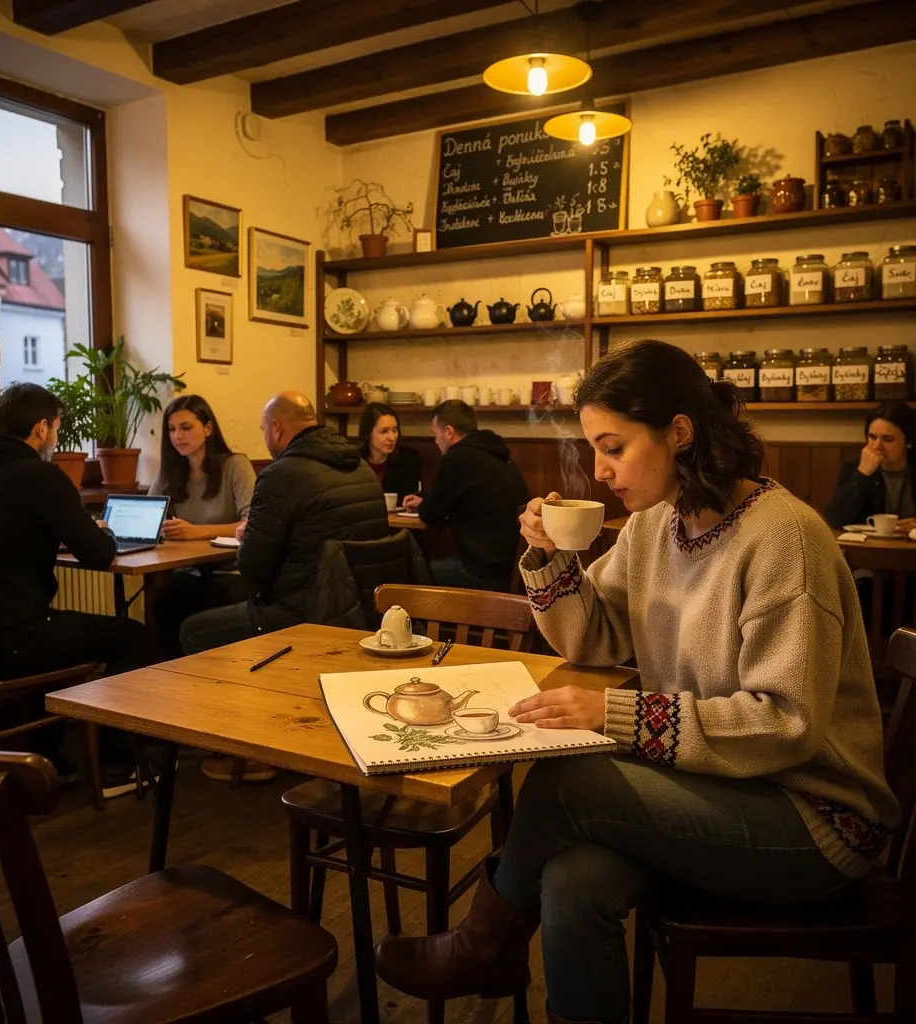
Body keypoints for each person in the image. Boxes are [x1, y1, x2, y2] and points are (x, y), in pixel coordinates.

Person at [374, 340, 897, 1024]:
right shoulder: (657, 525)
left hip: (812, 820)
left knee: (569, 779)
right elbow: (591, 637)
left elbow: (784, 722)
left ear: (679, 432)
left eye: (613, 447)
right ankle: (496, 953)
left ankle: (482, 947)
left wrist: (617, 716)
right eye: (593, 449)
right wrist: (547, 556)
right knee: (569, 881)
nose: (600, 470)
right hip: (714, 788)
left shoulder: (784, 537)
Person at [0, 383, 153, 795]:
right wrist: (97, 530)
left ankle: (55, 760)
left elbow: (2, 532)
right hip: (10, 645)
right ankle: (119, 768)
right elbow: (99, 555)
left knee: (50, 623)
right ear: (41, 427)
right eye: (57, 428)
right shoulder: (38, 475)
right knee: (131, 637)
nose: (56, 437)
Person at [179, 391, 389, 653]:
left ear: (276, 429)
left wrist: (247, 537)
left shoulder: (279, 476)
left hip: (303, 614)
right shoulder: (361, 467)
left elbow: (253, 570)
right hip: (366, 611)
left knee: (191, 630)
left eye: (264, 429)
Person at [148, 394, 257, 659]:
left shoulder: (234, 465)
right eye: (172, 430)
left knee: (208, 600)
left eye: (186, 427)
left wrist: (196, 531)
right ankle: (170, 683)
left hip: (231, 571)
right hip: (189, 571)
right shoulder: (171, 472)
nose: (178, 436)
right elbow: (149, 512)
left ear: (207, 429)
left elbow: (252, 523)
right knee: (163, 603)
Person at [402, 399, 528, 592]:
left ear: (449, 432)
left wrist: (423, 504)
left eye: (436, 434)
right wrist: (425, 500)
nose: (435, 441)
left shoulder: (459, 457)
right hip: (504, 568)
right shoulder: (496, 454)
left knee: (407, 573)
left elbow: (429, 513)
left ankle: (415, 623)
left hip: (480, 573)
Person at [825, 400, 916, 531]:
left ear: (908, 442)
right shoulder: (853, 469)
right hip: (869, 548)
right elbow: (835, 520)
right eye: (872, 437)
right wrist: (862, 474)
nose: (877, 446)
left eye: (888, 439)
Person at [358, 401, 421, 500]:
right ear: (367, 434)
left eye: (395, 430)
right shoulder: (354, 461)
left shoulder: (408, 459)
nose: (392, 437)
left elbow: (411, 497)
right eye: (384, 431)